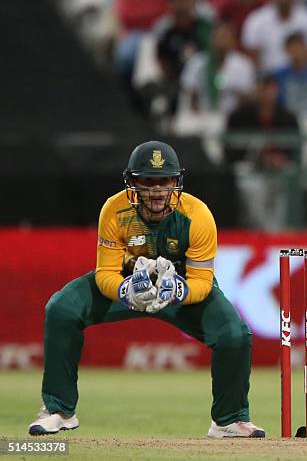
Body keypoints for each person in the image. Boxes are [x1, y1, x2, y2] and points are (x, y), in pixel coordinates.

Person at [28, 141, 264, 438]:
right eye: (147, 181)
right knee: (62, 309)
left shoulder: (198, 216)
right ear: (132, 182)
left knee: (234, 335)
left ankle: (228, 420)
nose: (156, 190)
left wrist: (179, 291)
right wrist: (125, 290)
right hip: (127, 283)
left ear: (175, 182)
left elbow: (202, 282)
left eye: (163, 181)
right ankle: (59, 411)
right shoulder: (115, 210)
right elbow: (105, 274)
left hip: (179, 285)